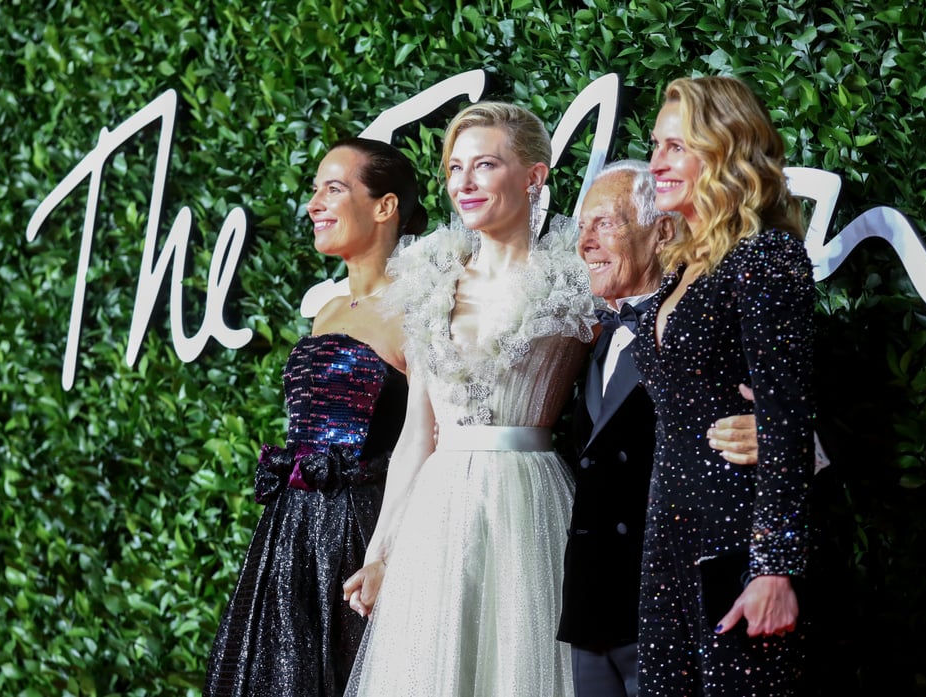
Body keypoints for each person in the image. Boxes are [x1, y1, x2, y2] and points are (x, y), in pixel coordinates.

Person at [341, 102, 597, 696]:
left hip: (531, 506)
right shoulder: (430, 275)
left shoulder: (577, 274)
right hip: (437, 514)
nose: (465, 183)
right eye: (455, 169)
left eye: (484, 165)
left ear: (534, 176)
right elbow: (416, 436)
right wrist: (381, 552)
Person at [203, 137, 428, 697]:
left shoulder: (416, 309)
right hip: (291, 529)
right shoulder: (327, 310)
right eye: (314, 190)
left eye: (334, 188)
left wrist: (389, 548)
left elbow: (429, 437)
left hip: (361, 528)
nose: (314, 204)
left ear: (385, 207)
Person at [635, 75, 814, 696]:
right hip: (671, 538)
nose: (656, 162)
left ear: (727, 151)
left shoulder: (765, 257)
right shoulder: (683, 263)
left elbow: (786, 419)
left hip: (738, 539)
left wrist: (775, 569)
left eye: (677, 147)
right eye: (656, 146)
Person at [557, 160, 761, 697]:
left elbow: (812, 419)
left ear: (663, 230)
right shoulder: (595, 337)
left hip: (673, 603)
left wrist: (783, 437)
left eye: (604, 224)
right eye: (582, 229)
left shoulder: (721, 322)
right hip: (593, 607)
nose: (586, 244)